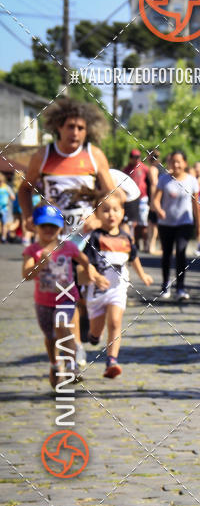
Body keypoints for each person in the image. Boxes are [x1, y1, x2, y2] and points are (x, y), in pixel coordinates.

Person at [18, 98, 113, 369]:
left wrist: (99, 214)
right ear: (59, 127)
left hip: (86, 237)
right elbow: (25, 189)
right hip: (56, 239)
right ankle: (75, 349)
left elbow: (110, 192)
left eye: (81, 128)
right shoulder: (44, 156)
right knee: (68, 293)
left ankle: (83, 337)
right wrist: (27, 216)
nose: (76, 133)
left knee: (84, 295)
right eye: (71, 127)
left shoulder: (94, 156)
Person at [22, 204, 106, 387]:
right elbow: (26, 275)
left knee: (62, 325)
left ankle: (71, 366)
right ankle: (54, 364)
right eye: (44, 225)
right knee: (51, 337)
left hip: (66, 297)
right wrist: (40, 264)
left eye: (52, 226)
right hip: (43, 302)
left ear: (60, 227)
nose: (48, 230)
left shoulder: (67, 246)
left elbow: (84, 261)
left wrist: (95, 275)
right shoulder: (33, 250)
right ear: (36, 226)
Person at [84, 190, 152, 378]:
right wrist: (95, 276)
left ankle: (111, 361)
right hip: (98, 290)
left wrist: (143, 275)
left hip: (118, 288)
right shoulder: (95, 237)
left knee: (115, 322)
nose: (111, 214)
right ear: (97, 213)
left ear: (122, 212)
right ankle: (93, 336)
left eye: (115, 210)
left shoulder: (126, 238)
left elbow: (134, 258)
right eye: (105, 210)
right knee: (96, 330)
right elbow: (87, 262)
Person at [152, 149, 200, 302]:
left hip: (184, 223)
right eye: (173, 161)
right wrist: (159, 210)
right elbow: (155, 200)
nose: (176, 164)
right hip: (166, 223)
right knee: (166, 254)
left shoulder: (192, 181)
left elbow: (196, 205)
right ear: (169, 163)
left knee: (180, 252)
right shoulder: (164, 179)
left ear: (185, 163)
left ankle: (180, 287)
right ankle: (165, 284)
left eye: (179, 161)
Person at [123, 149, 150, 251]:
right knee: (133, 223)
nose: (136, 159)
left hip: (143, 198)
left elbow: (150, 181)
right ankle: (136, 244)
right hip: (131, 199)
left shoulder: (143, 168)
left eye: (138, 157)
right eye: (134, 157)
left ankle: (146, 244)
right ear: (130, 158)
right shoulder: (126, 169)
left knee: (143, 222)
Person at [146, 149, 162, 255]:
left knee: (153, 223)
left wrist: (153, 201)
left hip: (156, 199)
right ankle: (155, 246)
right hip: (162, 199)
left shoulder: (153, 169)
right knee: (156, 223)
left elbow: (154, 184)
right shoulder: (162, 168)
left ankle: (151, 246)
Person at [0, 175, 15, 243]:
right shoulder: (5, 187)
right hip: (3, 208)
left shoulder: (7, 187)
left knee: (4, 223)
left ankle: (3, 237)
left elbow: (13, 197)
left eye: (1, 181)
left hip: (4, 208)